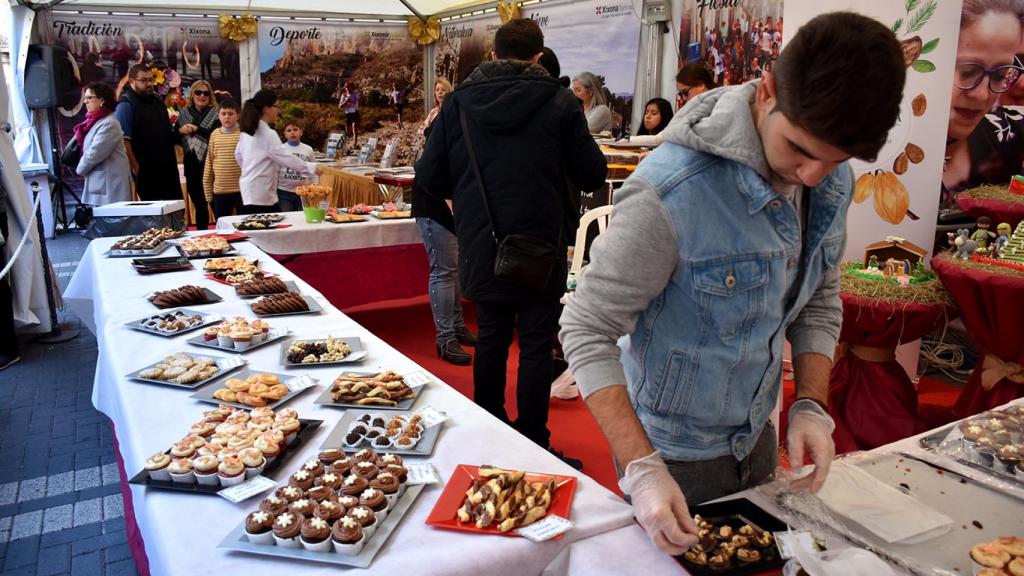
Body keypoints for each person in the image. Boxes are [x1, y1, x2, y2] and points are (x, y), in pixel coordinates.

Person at [560, 12, 906, 554]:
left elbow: (817, 297)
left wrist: (811, 403)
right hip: (673, 454)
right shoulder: (672, 192)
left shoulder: (828, 177)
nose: (813, 175)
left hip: (758, 440)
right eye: (801, 149)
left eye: (835, 159)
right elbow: (585, 326)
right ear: (766, 92)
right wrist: (641, 466)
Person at [417, 18, 607, 469]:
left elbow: (429, 175)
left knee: (493, 339)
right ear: (539, 57)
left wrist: (467, 192)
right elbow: (592, 173)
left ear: (495, 55)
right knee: (538, 344)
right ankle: (535, 443)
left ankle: (491, 439)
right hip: (541, 240)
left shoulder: (459, 102)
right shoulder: (560, 103)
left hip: (484, 239)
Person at [412, 77, 476, 365]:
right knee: (444, 270)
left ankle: (458, 327)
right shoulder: (446, 125)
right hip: (435, 205)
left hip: (454, 205)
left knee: (455, 270)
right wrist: (451, 201)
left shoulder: (462, 123)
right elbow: (428, 170)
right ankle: (445, 337)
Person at [940, 0, 1024, 211]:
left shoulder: (1007, 134)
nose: (982, 94)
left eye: (1000, 75)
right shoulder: (869, 150)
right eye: (968, 72)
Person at [236, 90, 323, 213]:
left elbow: (238, 155)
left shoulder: (248, 130)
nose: (278, 111)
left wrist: (249, 170)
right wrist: (311, 168)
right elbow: (286, 158)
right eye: (276, 106)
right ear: (267, 108)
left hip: (250, 189)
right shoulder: (268, 134)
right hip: (261, 192)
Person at [115, 64, 181, 200]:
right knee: (155, 216)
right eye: (144, 80)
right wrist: (136, 168)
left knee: (176, 209)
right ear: (132, 81)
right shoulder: (126, 105)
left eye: (151, 79)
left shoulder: (157, 99)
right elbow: (124, 141)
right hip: (147, 172)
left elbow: (165, 130)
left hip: (168, 168)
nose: (149, 84)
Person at [75, 82, 131, 206]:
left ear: (102, 100)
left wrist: (80, 169)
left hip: (110, 186)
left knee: (112, 222)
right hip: (101, 184)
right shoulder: (96, 122)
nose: (85, 101)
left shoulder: (109, 124)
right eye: (85, 98)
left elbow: (95, 153)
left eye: (89, 97)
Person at [176, 80, 220, 230]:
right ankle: (201, 240)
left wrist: (196, 129)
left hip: (212, 166)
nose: (202, 96)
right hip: (192, 165)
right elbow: (173, 137)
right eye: (198, 92)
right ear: (192, 94)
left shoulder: (216, 113)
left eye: (206, 93)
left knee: (216, 205)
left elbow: (216, 135)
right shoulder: (183, 114)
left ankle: (225, 238)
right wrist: (180, 131)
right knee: (200, 206)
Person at [203, 98, 244, 220]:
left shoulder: (244, 133)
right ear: (218, 116)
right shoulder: (214, 134)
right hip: (220, 193)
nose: (227, 117)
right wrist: (208, 195)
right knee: (223, 229)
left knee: (246, 227)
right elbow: (209, 163)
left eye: (231, 114)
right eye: (223, 114)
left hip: (242, 192)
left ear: (238, 115)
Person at [277, 120, 316, 212]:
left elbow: (314, 170)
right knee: (287, 217)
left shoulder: (308, 149)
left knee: (301, 218)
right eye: (289, 130)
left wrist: (315, 187)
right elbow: (275, 170)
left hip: (303, 192)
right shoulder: (280, 149)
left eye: (295, 129)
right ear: (285, 134)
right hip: (284, 192)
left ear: (301, 132)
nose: (292, 132)